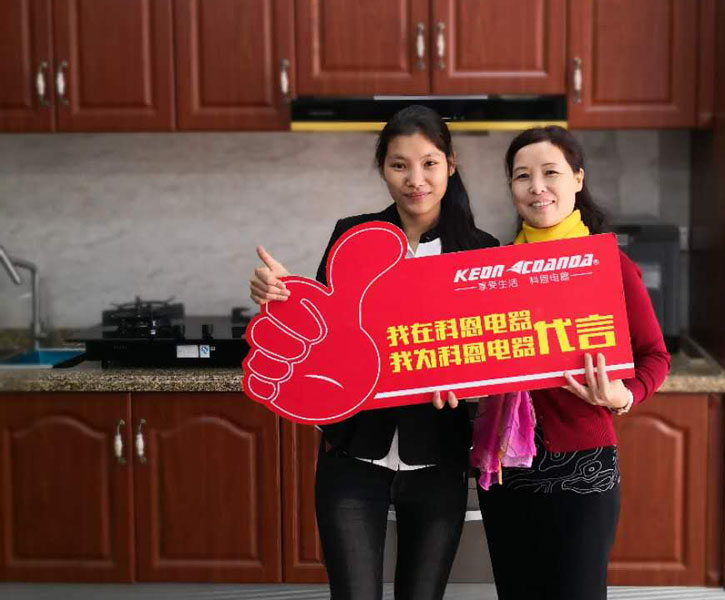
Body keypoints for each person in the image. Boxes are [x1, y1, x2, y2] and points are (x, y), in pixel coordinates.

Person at [248, 105, 498, 600]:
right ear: (382, 169)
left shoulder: (481, 250)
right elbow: (323, 337)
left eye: (429, 163)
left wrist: (471, 384)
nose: (415, 179)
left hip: (438, 458)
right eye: (399, 165)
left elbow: (494, 355)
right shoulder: (352, 236)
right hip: (352, 452)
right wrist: (277, 297)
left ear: (451, 165)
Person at [465, 126, 671, 600]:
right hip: (507, 470)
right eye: (522, 176)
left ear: (578, 179)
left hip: (583, 467)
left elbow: (655, 356)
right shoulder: (493, 272)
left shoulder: (608, 265)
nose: (536, 186)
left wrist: (623, 394)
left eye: (550, 173)